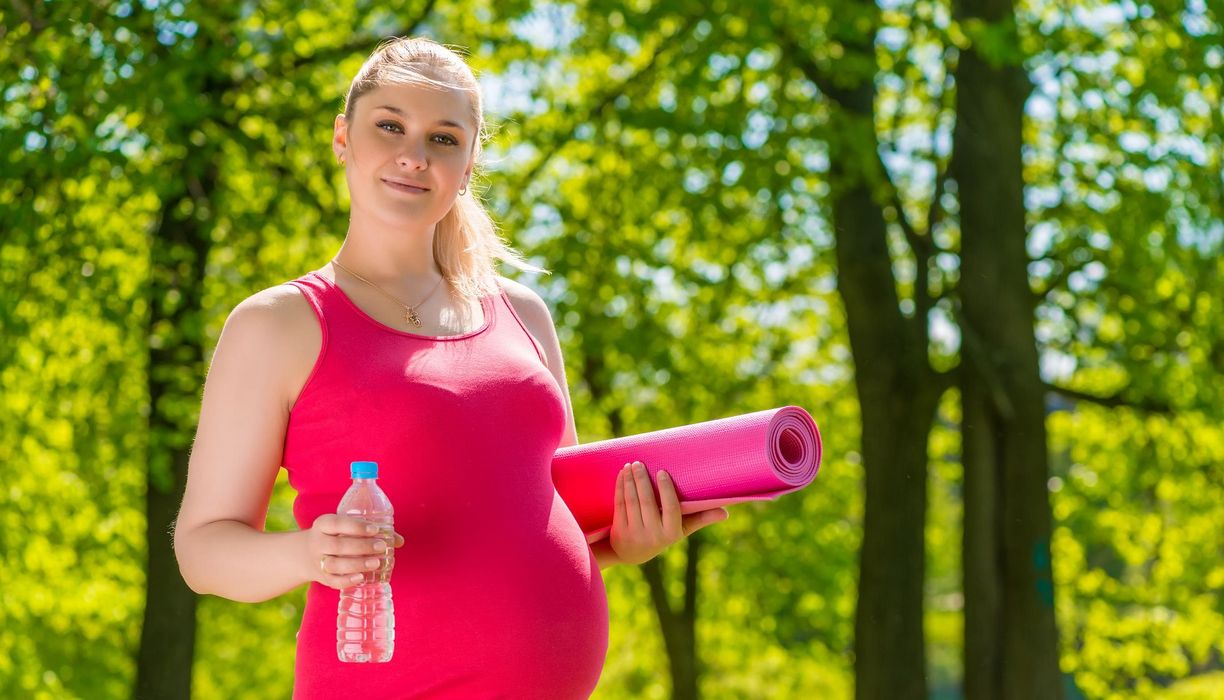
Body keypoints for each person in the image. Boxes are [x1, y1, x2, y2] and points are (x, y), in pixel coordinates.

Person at [172, 36, 729, 699]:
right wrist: (305, 553)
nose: (414, 154)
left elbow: (554, 522)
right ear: (342, 138)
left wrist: (627, 541)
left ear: (468, 165)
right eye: (390, 126)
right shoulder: (278, 324)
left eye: (444, 138)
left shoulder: (524, 314)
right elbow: (203, 550)